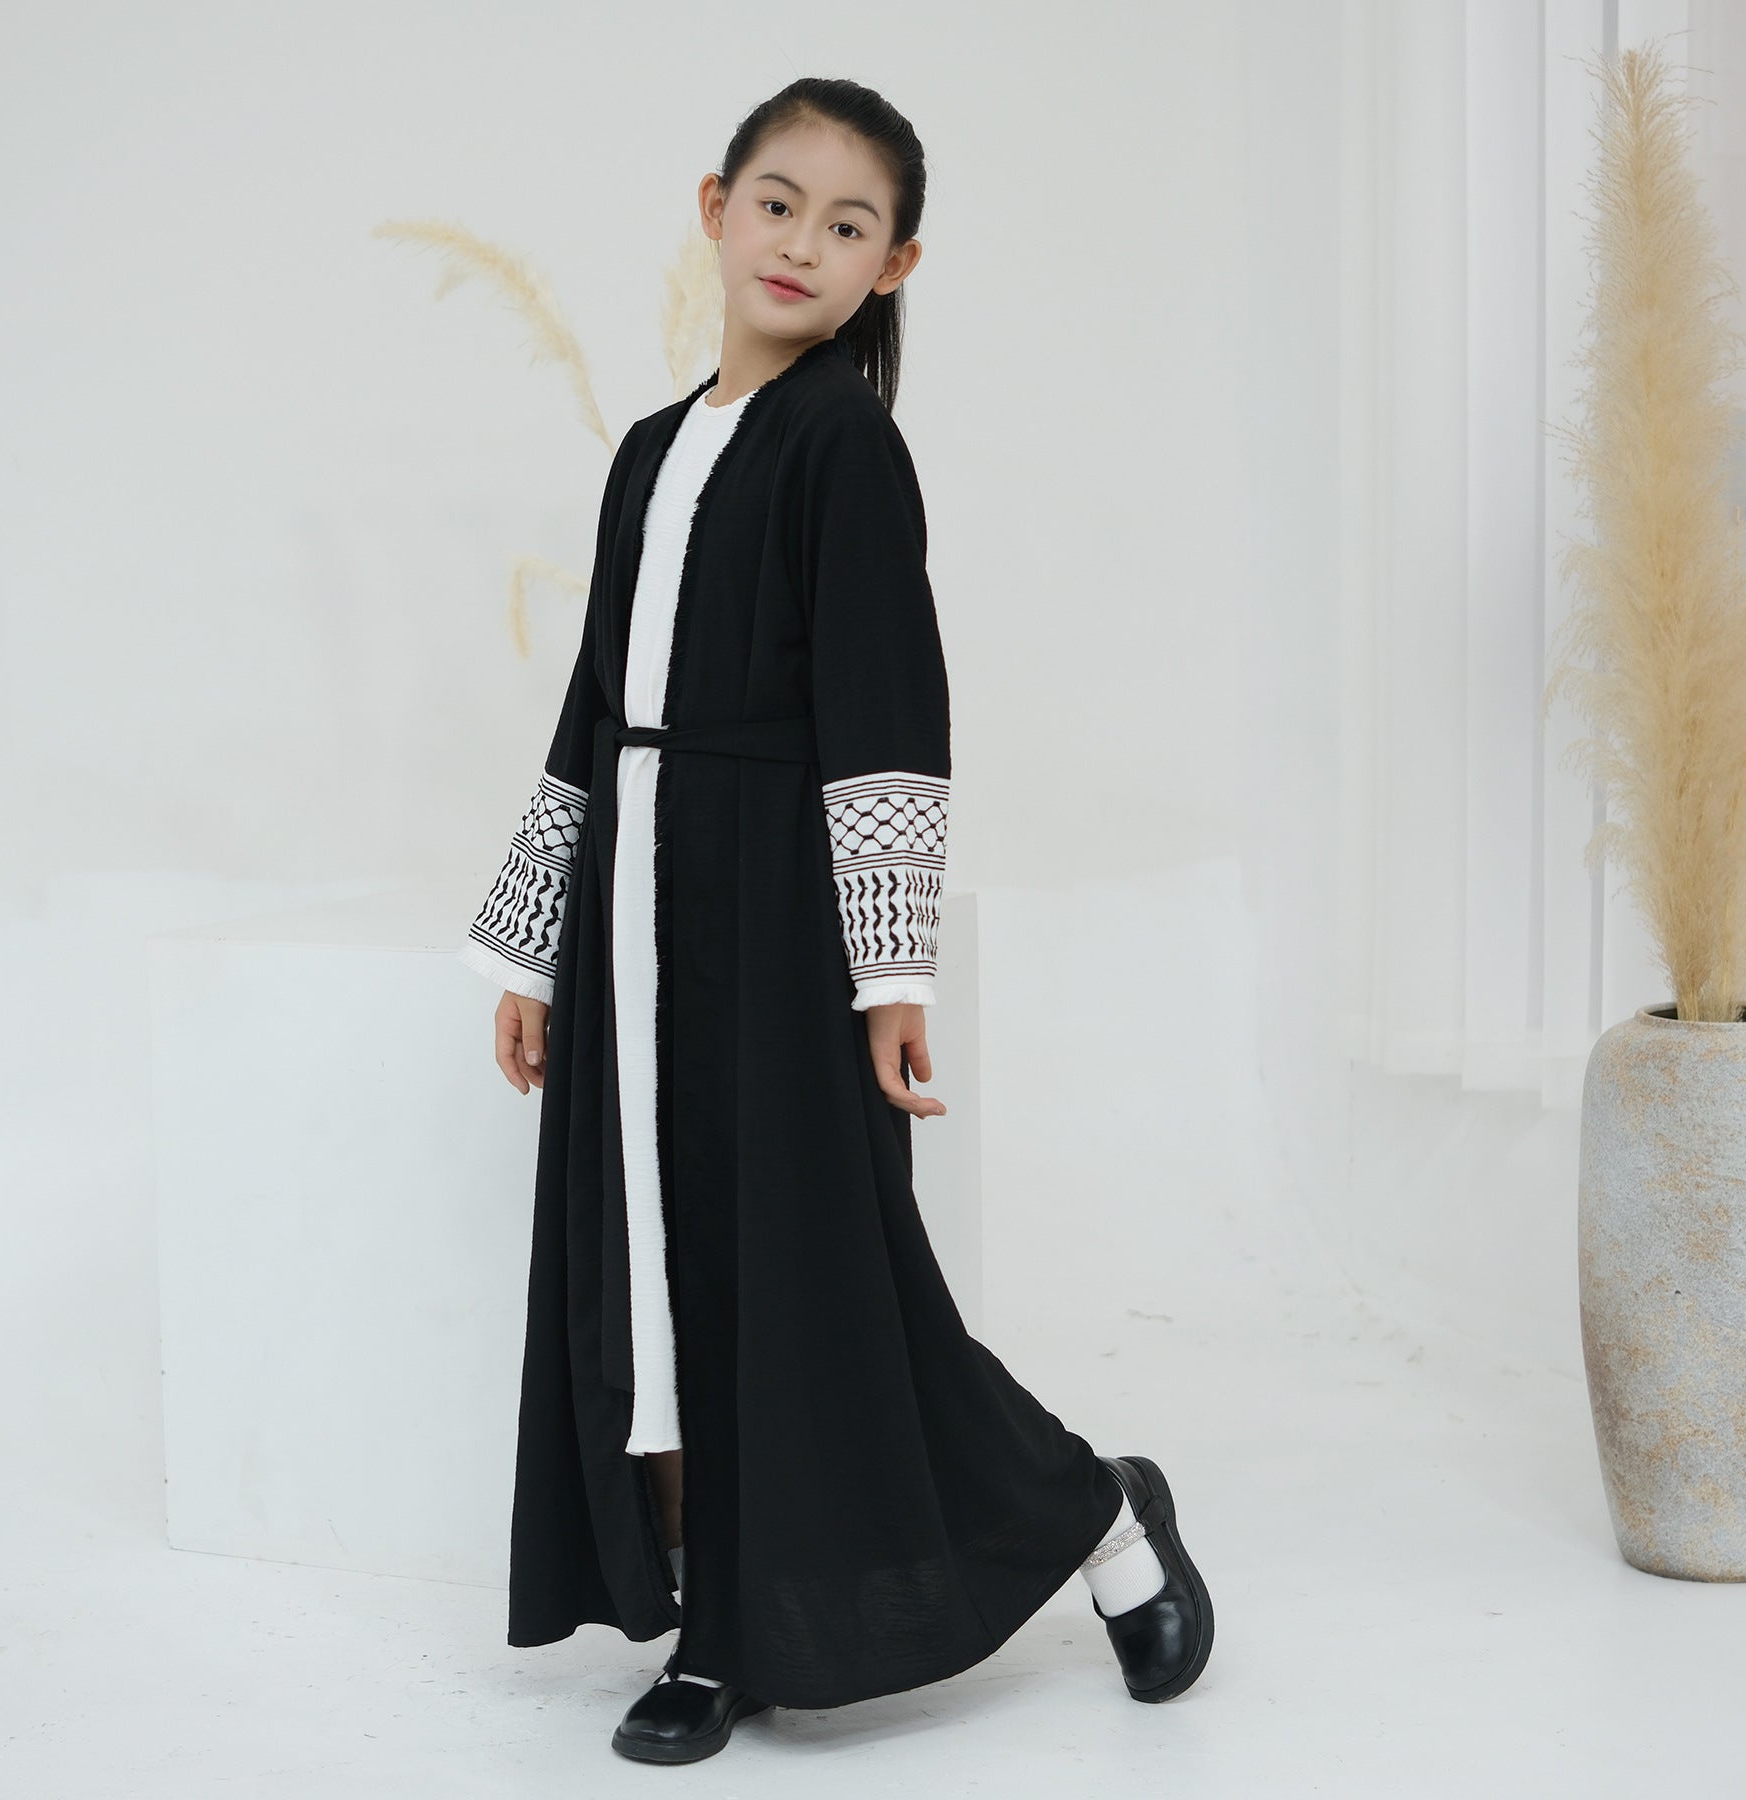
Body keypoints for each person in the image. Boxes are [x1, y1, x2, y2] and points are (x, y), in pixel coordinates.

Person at [458, 75, 1215, 1765]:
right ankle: (718, 1619)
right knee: (658, 1270)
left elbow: (887, 712)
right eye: (779, 202)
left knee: (823, 1287)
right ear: (714, 207)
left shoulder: (845, 447)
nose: (803, 242)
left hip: (775, 929)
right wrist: (533, 943)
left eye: (850, 223)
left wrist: (889, 976)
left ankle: (1101, 1513)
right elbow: (595, 705)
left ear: (898, 265)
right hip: (635, 924)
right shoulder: (649, 453)